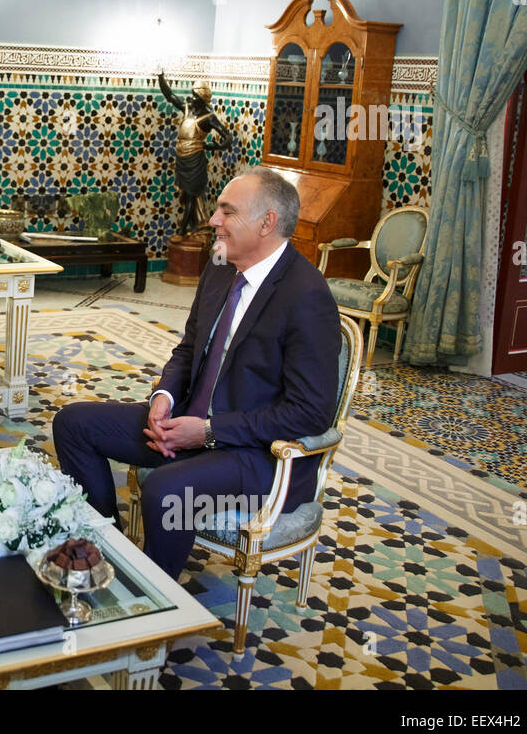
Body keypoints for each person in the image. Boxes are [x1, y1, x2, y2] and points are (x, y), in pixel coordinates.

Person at [52, 167, 339, 580]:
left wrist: (207, 431)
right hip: (186, 423)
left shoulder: (306, 295)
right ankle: (106, 550)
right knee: (73, 423)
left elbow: (310, 412)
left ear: (267, 223)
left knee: (165, 490)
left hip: (253, 454)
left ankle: (153, 607)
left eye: (227, 211)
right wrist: (163, 399)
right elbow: (188, 349)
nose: (213, 220)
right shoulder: (221, 267)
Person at [157, 71, 235, 237]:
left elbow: (227, 136)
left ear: (201, 99)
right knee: (186, 195)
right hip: (182, 158)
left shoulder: (209, 118)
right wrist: (160, 77)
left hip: (195, 160)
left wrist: (215, 147)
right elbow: (170, 96)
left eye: (194, 96)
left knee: (191, 194)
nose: (190, 99)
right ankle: (192, 227)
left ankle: (182, 230)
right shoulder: (188, 109)